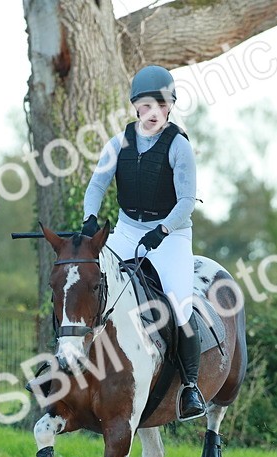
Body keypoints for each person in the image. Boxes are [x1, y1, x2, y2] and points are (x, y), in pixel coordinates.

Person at [80, 65, 206, 422]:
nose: (153, 112)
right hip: (127, 230)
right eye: (146, 105)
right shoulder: (118, 143)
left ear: (169, 108)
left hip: (172, 235)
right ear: (136, 106)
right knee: (91, 285)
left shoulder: (179, 145)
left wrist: (163, 230)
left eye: (160, 105)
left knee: (179, 306)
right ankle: (73, 368)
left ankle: (191, 388)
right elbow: (96, 187)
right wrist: (91, 218)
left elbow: (186, 201)